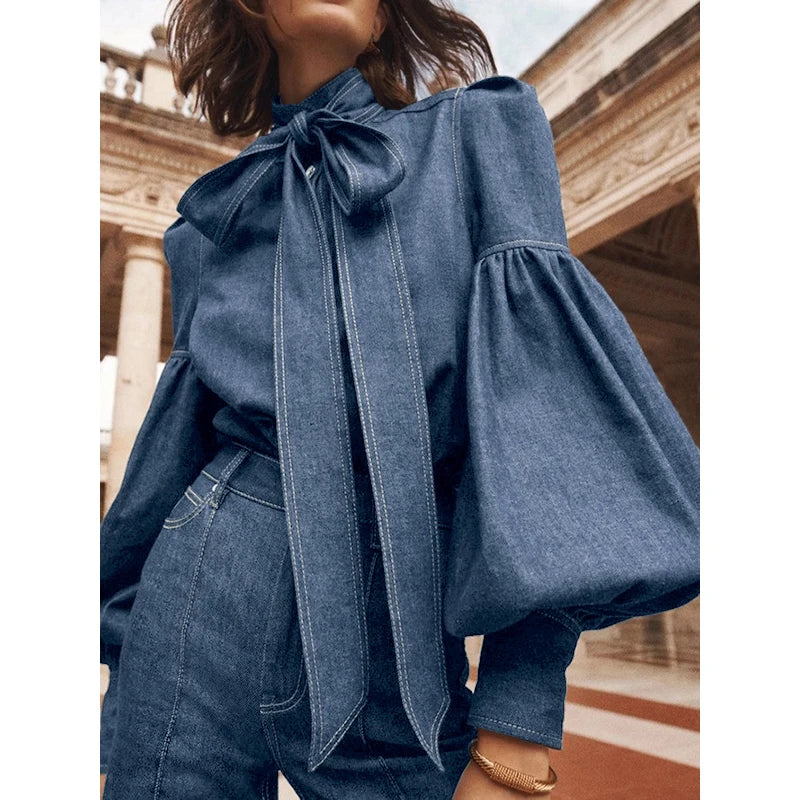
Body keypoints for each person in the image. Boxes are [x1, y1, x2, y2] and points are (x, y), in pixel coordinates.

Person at [99, 1, 700, 798]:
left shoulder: (479, 134)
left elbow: (550, 439)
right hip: (197, 604)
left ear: (385, 21)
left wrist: (517, 725)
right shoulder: (213, 220)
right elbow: (166, 469)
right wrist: (123, 699)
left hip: (395, 649)